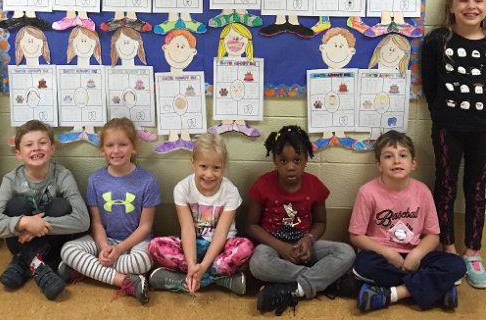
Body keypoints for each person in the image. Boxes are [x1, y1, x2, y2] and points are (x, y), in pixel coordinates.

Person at [422, 0, 486, 289]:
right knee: (445, 186)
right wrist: (442, 116)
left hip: (483, 127)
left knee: (477, 188)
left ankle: (473, 251)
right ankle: (448, 250)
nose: (471, 6)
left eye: (478, 0)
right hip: (448, 127)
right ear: (452, 6)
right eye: (464, 0)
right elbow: (429, 85)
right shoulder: (437, 40)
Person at [349, 130, 465, 311]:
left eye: (403, 155)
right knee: (362, 265)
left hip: (415, 257)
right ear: (378, 165)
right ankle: (435, 289)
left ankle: (393, 294)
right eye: (388, 156)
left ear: (413, 163)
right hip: (382, 256)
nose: (396, 161)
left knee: (457, 265)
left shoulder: (423, 191)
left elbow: (433, 235)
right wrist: (388, 254)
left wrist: (417, 254)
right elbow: (356, 236)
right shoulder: (367, 192)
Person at [245, 125, 356, 315]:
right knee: (258, 263)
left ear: (306, 160)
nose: (290, 167)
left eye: (297, 160)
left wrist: (308, 240)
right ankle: (326, 283)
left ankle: (293, 288)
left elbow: (320, 223)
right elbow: (250, 225)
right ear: (274, 160)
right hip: (273, 248)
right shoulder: (262, 184)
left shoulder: (315, 186)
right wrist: (281, 247)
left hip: (304, 247)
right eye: (283, 161)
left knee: (346, 252)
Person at [59, 118, 160, 304]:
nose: (116, 150)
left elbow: (145, 227)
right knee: (67, 250)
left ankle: (86, 269)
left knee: (143, 261)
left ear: (134, 147)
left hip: (136, 242)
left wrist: (119, 249)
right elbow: (96, 223)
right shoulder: (95, 180)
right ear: (102, 150)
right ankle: (126, 281)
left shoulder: (148, 181)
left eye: (123, 144)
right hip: (104, 240)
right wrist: (105, 247)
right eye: (110, 145)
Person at [0, 121, 90, 300]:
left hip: (52, 245)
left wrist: (40, 226)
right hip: (18, 241)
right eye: (29, 144)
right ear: (19, 154)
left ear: (52, 148)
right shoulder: (11, 179)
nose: (36, 148)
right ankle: (38, 267)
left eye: (42, 143)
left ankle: (22, 261)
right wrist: (25, 222)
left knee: (61, 205)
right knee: (16, 205)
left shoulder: (62, 175)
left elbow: (83, 220)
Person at [148, 135, 254, 294]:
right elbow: (187, 229)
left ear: (224, 166)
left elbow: (221, 233)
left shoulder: (230, 191)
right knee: (155, 246)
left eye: (216, 168)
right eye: (203, 166)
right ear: (193, 163)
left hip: (221, 248)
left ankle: (187, 280)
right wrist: (192, 264)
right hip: (192, 247)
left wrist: (203, 266)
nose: (209, 174)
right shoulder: (182, 188)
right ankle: (217, 279)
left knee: (246, 248)